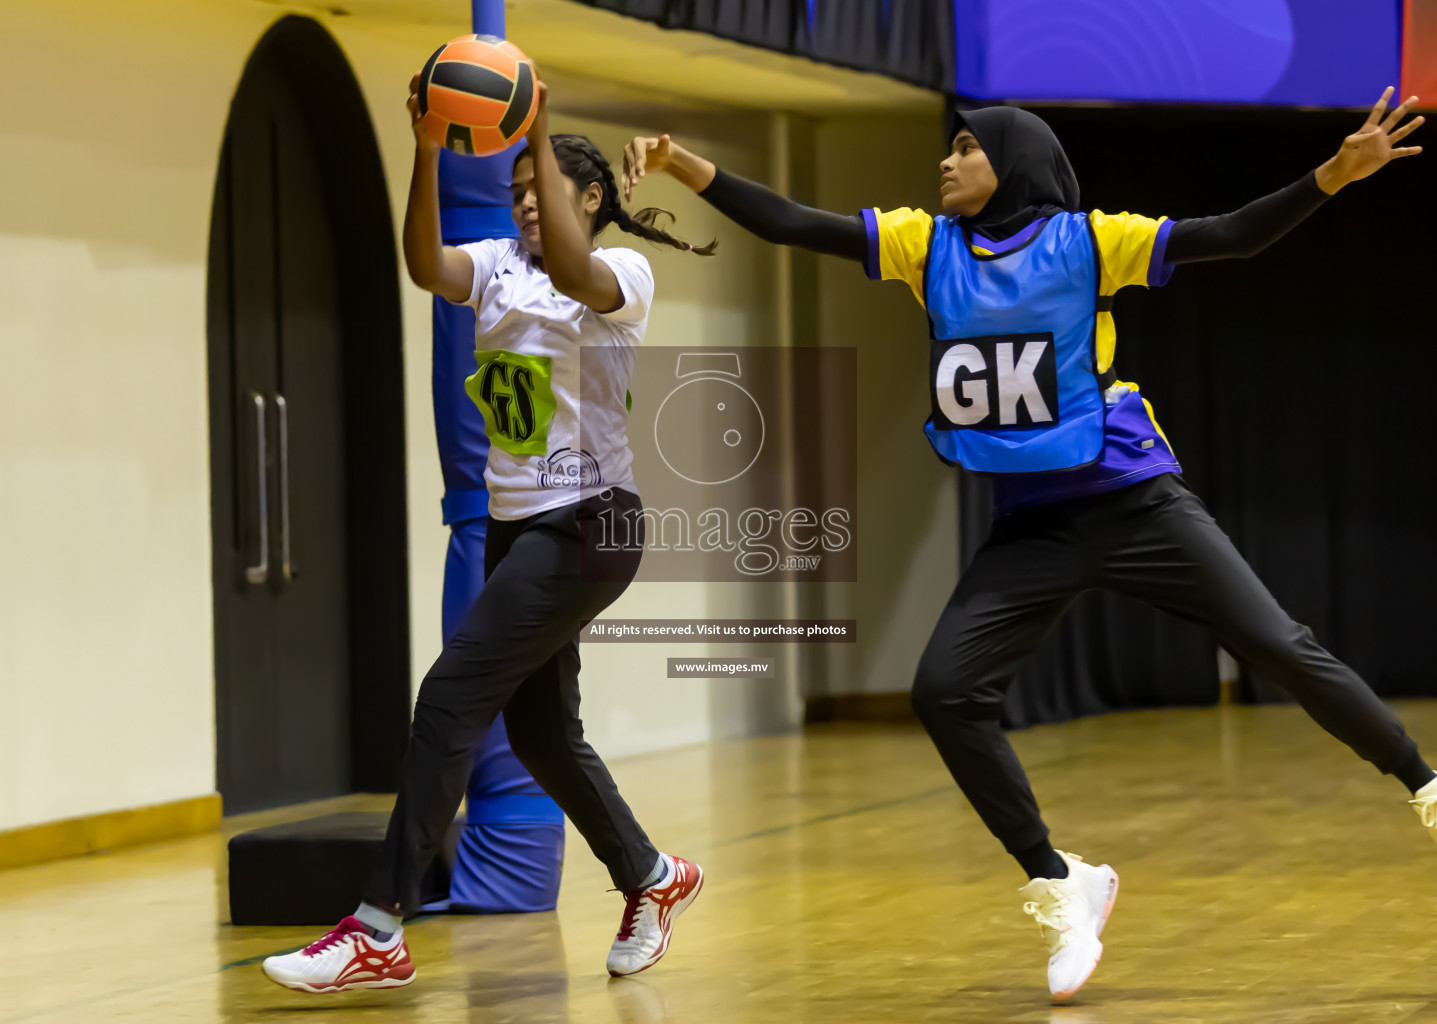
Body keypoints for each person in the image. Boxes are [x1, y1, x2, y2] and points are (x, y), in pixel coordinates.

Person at [621, 87, 1427, 1002]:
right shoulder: (927, 248)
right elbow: (793, 223)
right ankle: (1059, 882)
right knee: (943, 692)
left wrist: (1332, 173)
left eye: (964, 148)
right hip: (1033, 524)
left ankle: (1426, 785)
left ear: (1011, 162)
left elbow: (1230, 235)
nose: (946, 161)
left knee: (1280, 645)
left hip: (1133, 501)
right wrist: (687, 166)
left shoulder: (1089, 240)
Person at [262, 74, 714, 993]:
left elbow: (580, 270)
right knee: (543, 735)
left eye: (537, 191)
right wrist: (428, 145)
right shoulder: (497, 265)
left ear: (587, 198)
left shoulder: (622, 276)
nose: (523, 208)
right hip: (517, 532)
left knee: (447, 700)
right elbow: (426, 264)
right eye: (512, 196)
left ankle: (378, 926)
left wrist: (536, 127)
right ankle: (652, 877)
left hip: (590, 526)